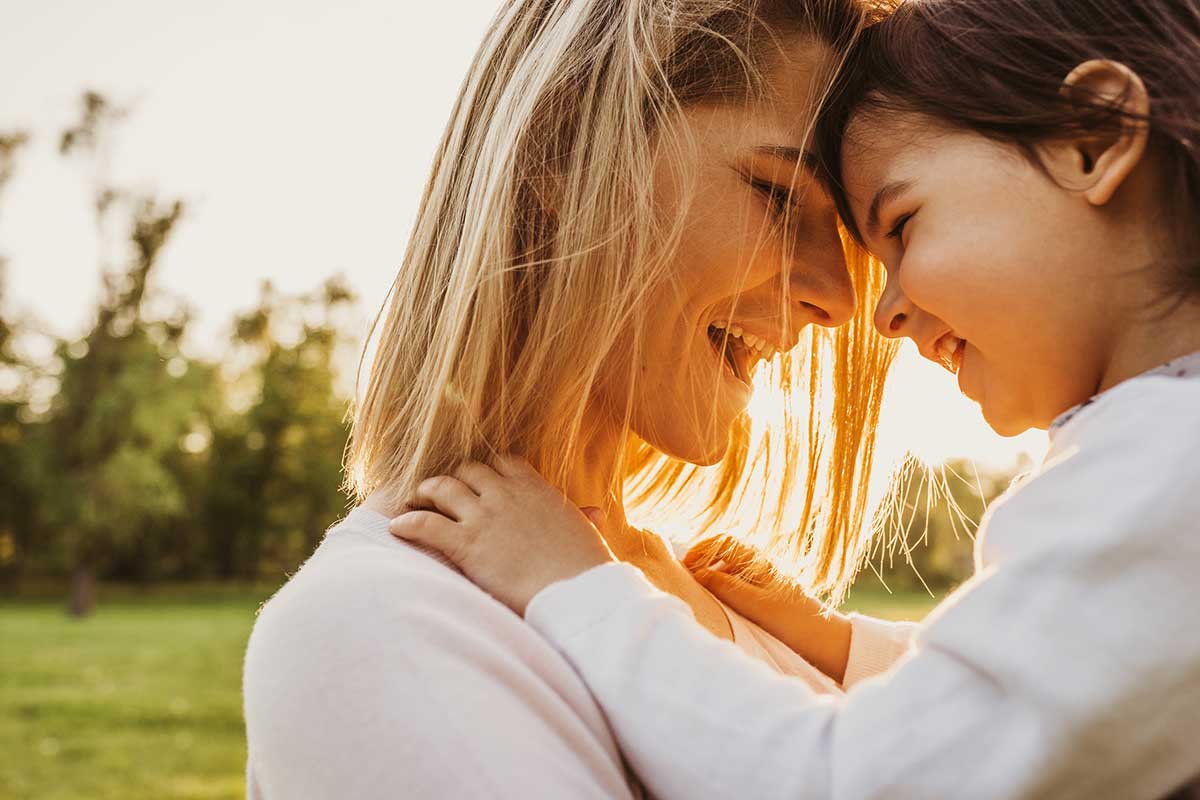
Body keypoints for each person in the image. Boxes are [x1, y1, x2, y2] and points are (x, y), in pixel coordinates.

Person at [389, 1, 1200, 798]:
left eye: (904, 223)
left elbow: (857, 782)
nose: (871, 311)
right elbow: (1048, 709)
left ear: (1093, 140)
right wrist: (838, 646)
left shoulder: (1155, 467)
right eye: (778, 199)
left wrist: (577, 589)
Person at [242, 1, 901, 797]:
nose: (839, 296)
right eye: (778, 193)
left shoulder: (728, 616)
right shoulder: (378, 629)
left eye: (852, 239)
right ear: (565, 153)